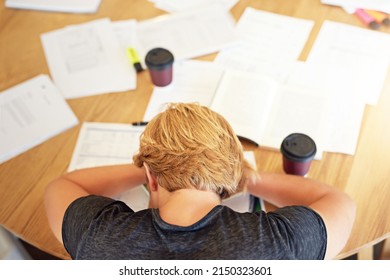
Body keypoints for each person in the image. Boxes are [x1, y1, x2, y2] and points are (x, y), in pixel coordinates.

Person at [44, 103, 356, 260]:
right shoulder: (280, 244)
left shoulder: (99, 237)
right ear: (229, 177)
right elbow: (340, 203)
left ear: (151, 178)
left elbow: (61, 188)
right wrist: (250, 178)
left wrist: (152, 166)